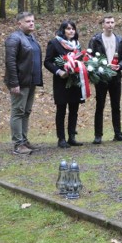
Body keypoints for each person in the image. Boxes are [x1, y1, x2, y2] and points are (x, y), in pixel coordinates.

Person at [87, 15, 122, 144]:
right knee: (100, 106)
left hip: (116, 77)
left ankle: (118, 133)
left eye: (112, 22)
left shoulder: (119, 39)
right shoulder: (96, 40)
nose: (110, 24)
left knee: (116, 106)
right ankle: (98, 135)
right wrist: (101, 68)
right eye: (107, 22)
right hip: (101, 78)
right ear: (103, 25)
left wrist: (120, 66)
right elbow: (89, 58)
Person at [4, 12, 43, 155]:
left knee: (26, 112)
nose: (32, 23)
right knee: (18, 111)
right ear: (19, 23)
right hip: (20, 82)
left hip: (31, 81)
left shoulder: (31, 37)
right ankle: (18, 145)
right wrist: (14, 83)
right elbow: (10, 62)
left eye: (33, 21)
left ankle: (24, 141)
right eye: (28, 21)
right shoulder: (14, 38)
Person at [44, 20, 85, 148]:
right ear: (63, 30)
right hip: (61, 81)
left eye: (73, 28)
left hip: (75, 81)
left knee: (74, 110)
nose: (71, 31)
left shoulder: (76, 44)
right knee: (61, 110)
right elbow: (47, 62)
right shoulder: (54, 43)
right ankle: (61, 139)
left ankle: (72, 136)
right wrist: (58, 71)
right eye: (68, 29)